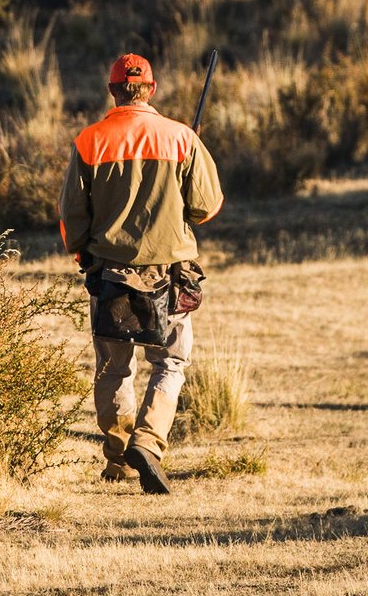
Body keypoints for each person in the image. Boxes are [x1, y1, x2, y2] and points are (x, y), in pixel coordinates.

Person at [59, 52, 224, 495]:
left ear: (112, 90)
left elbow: (72, 216)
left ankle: (120, 460)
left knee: (114, 367)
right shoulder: (181, 138)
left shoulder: (89, 141)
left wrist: (83, 255)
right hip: (171, 275)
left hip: (108, 272)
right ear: (151, 89)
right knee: (169, 362)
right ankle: (148, 442)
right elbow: (206, 207)